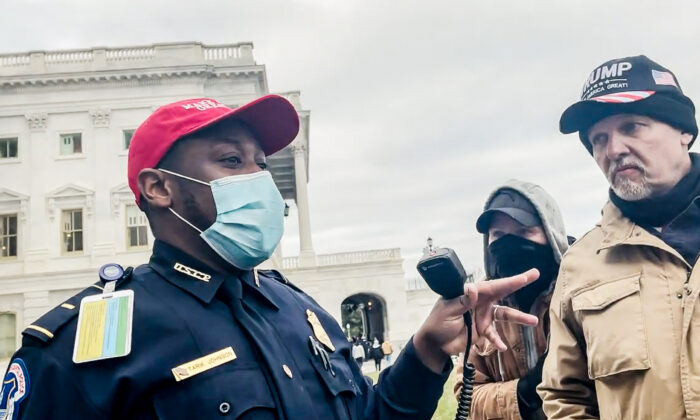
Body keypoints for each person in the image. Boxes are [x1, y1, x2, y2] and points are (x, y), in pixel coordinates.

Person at [1, 95, 541, 419]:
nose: (259, 180)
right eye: (231, 161)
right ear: (160, 188)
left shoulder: (296, 309)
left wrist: (424, 350)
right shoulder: (89, 342)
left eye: (260, 164)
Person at [538, 56, 700, 419]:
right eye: (599, 139)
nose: (613, 150)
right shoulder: (580, 265)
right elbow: (563, 397)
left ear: (683, 131)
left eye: (632, 127)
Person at [453, 180, 570, 420]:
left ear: (551, 234)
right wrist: (522, 393)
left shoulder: (580, 291)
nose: (509, 244)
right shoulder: (481, 305)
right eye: (498, 235)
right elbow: (466, 394)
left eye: (523, 232)